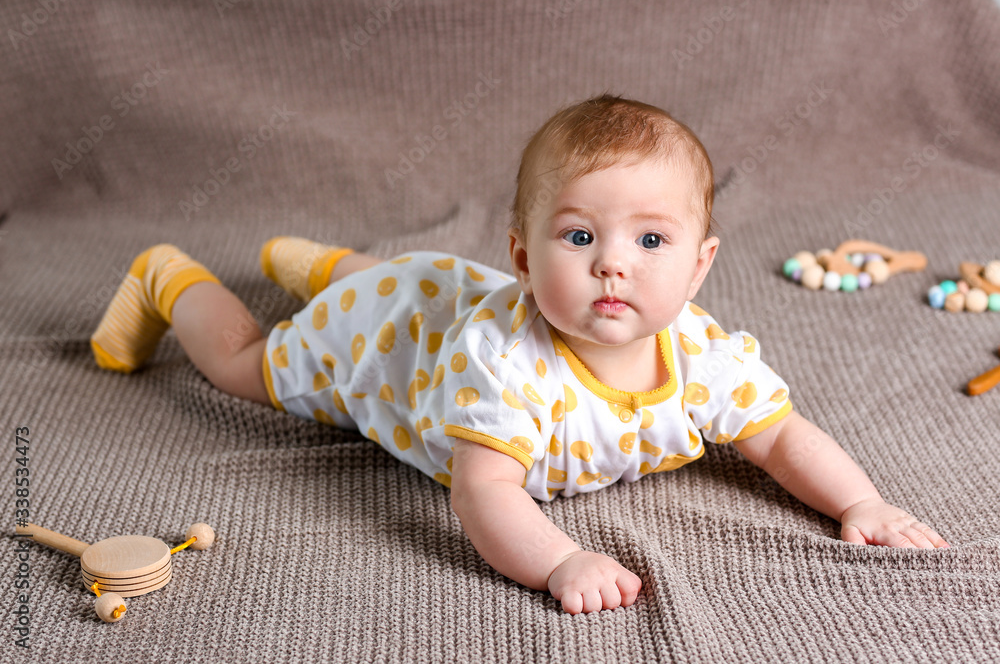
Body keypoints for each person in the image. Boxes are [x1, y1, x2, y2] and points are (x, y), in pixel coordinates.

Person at [90, 94, 950, 616]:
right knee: (246, 364)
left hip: (430, 290)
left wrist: (859, 502)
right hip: (380, 342)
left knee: (409, 280)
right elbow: (482, 489)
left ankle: (320, 264)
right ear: (527, 257)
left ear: (700, 265)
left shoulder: (702, 355)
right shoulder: (502, 365)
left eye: (651, 238)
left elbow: (781, 435)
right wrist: (560, 559)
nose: (613, 261)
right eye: (580, 235)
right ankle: (172, 279)